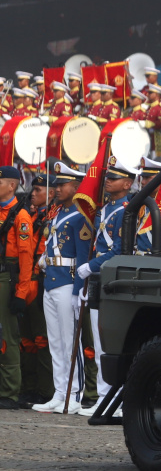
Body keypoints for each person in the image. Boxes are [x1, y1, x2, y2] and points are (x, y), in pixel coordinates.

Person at [76, 156, 137, 415]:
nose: (108, 182)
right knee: (100, 344)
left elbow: (121, 250)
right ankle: (103, 396)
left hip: (112, 279)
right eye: (108, 178)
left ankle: (117, 399)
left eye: (114, 179)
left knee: (111, 343)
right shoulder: (106, 209)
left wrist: (91, 266)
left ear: (127, 183)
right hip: (100, 280)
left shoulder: (126, 211)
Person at [32, 163, 91, 414]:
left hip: (68, 282)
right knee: (55, 341)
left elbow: (83, 256)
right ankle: (59, 392)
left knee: (70, 342)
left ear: (76, 187)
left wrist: (79, 291)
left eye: (62, 184)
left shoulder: (80, 217)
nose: (56, 188)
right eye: (56, 184)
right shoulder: (56, 213)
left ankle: (74, 393)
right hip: (52, 280)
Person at [18, 171, 56, 408]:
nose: (33, 194)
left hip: (40, 282)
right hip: (25, 281)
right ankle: (29, 388)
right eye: (33, 190)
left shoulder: (52, 217)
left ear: (50, 193)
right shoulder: (32, 215)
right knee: (27, 340)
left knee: (43, 340)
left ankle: (46, 391)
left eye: (38, 190)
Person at [0, 166, 34, 409]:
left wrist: (21, 292)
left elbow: (26, 256)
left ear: (12, 186)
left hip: (6, 278)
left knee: (9, 335)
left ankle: (10, 392)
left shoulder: (20, 216)